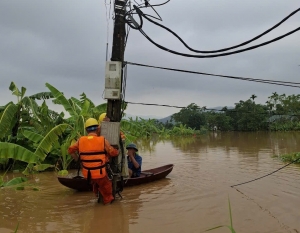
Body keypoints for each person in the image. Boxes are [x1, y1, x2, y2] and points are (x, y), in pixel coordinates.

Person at [68, 118, 119, 205]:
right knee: (107, 189)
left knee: (95, 182)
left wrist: (78, 160)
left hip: (87, 174)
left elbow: (70, 150)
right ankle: (108, 208)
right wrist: (118, 151)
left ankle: (96, 193)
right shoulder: (102, 140)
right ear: (98, 128)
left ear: (86, 130)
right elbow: (112, 152)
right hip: (100, 174)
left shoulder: (81, 141)